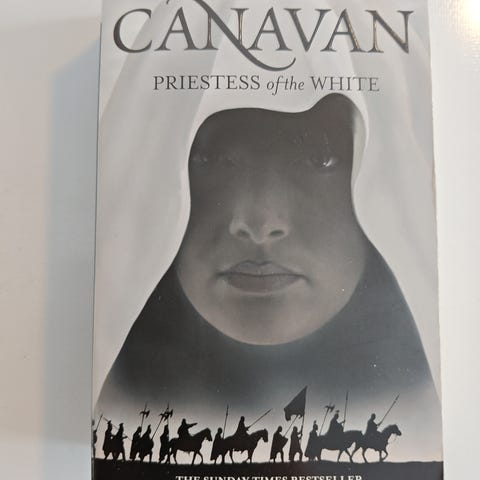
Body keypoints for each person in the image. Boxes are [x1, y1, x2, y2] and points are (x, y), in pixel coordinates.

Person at [97, 96, 440, 463]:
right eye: (212, 159)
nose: (259, 225)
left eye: (319, 159)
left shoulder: (421, 405)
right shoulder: (120, 404)